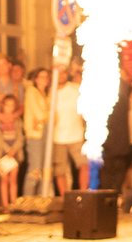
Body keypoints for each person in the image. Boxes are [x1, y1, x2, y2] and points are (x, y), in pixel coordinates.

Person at [0, 93, 24, 211]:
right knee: (4, 179)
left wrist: (14, 149)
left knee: (13, 178)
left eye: (12, 106)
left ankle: (14, 203)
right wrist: (8, 150)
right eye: (7, 105)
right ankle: (5, 205)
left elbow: (21, 137)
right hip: (2, 154)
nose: (9, 108)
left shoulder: (17, 121)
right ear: (2, 106)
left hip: (14, 154)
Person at [50, 61, 85, 194]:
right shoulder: (50, 93)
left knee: (84, 164)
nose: (61, 76)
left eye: (63, 73)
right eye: (58, 73)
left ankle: (83, 192)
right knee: (60, 170)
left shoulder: (75, 89)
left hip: (76, 134)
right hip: (57, 137)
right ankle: (65, 197)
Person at [22, 68, 51, 198]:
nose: (44, 79)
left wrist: (47, 116)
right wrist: (49, 115)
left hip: (46, 133)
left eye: (46, 77)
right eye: (41, 77)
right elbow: (39, 114)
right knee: (35, 168)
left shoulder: (46, 94)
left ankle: (41, 197)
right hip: (35, 134)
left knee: (45, 168)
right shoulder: (31, 92)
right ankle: (28, 198)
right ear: (36, 79)